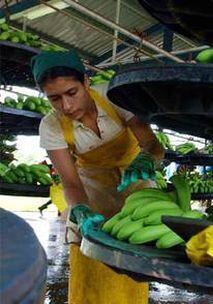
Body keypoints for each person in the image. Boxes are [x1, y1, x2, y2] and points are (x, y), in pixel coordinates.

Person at [32, 50, 164, 303]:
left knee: (135, 254)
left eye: (72, 93)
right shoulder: (50, 126)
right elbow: (70, 181)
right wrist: (79, 207)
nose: (66, 106)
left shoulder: (113, 98)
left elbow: (152, 144)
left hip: (135, 177)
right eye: (54, 99)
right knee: (91, 252)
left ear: (86, 82)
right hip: (91, 186)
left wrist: (147, 157)